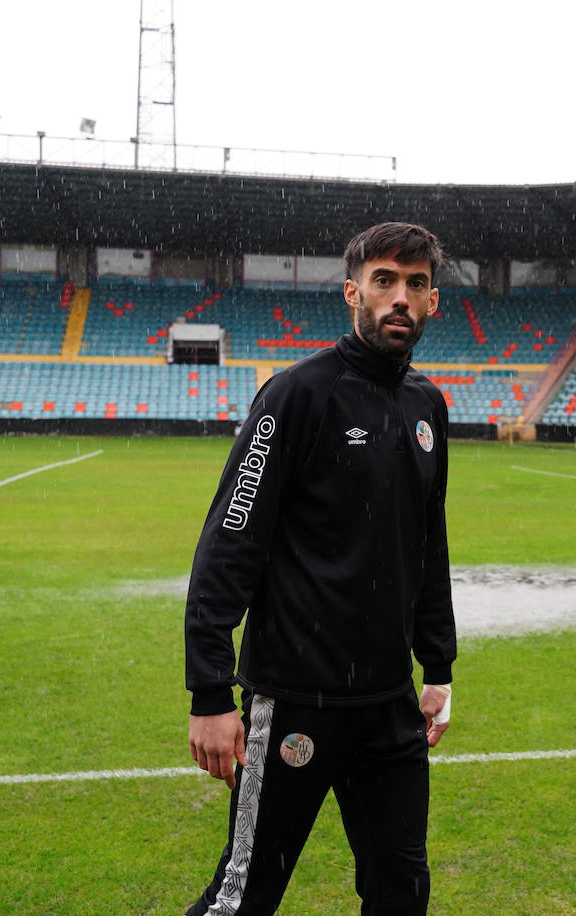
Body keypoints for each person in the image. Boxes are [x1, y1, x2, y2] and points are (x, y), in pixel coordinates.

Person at [183, 221, 457, 916]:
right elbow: (229, 543)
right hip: (296, 701)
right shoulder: (296, 395)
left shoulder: (428, 406)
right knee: (243, 900)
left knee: (402, 894)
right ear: (351, 292)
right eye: (385, 281)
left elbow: (428, 542)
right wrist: (211, 693)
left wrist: (439, 667)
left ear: (433, 303)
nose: (401, 297)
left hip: (390, 708)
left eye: (416, 285)